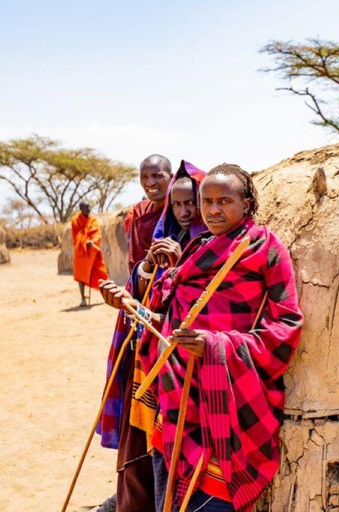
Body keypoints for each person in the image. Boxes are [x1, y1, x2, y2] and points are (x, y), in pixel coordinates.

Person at [101, 164, 303, 512]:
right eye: (206, 201)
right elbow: (170, 323)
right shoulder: (197, 248)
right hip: (176, 396)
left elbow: (287, 324)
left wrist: (217, 345)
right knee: (170, 497)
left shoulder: (264, 248)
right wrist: (133, 307)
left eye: (224, 201)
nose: (212, 210)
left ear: (247, 203)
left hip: (229, 400)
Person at [97, 160, 205, 512]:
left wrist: (175, 271)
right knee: (146, 437)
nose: (186, 211)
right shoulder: (157, 230)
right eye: (179, 205)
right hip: (150, 352)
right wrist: (144, 273)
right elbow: (147, 293)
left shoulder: (214, 243)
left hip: (190, 362)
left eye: (193, 203)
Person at [125, 154, 173, 272]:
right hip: (145, 280)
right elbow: (136, 257)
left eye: (157, 176)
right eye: (144, 177)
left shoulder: (181, 208)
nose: (150, 182)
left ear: (171, 177)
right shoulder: (140, 210)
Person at [71, 201, 108, 307]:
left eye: (90, 206)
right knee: (81, 275)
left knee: (101, 273)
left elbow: (98, 233)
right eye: (87, 207)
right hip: (81, 252)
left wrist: (93, 241)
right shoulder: (75, 220)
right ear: (81, 209)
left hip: (93, 250)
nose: (89, 209)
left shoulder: (93, 219)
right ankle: (83, 298)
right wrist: (84, 241)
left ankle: (106, 296)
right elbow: (76, 237)